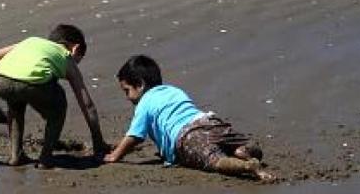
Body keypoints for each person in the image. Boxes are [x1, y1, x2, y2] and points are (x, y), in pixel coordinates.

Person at [0, 24, 106, 167]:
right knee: (58, 107)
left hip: (1, 80)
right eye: (79, 59)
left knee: (15, 105)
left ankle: (15, 155)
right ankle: (46, 157)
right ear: (75, 49)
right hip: (33, 84)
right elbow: (86, 104)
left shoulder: (29, 42)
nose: (77, 64)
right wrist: (98, 142)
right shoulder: (65, 56)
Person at [104, 55, 273, 181]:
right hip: (210, 122)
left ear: (140, 85)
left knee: (214, 160)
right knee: (231, 143)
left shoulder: (144, 103)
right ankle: (243, 150)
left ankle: (247, 166)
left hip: (187, 136)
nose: (127, 97)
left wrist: (115, 156)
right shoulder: (174, 90)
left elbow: (135, 136)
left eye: (127, 91)